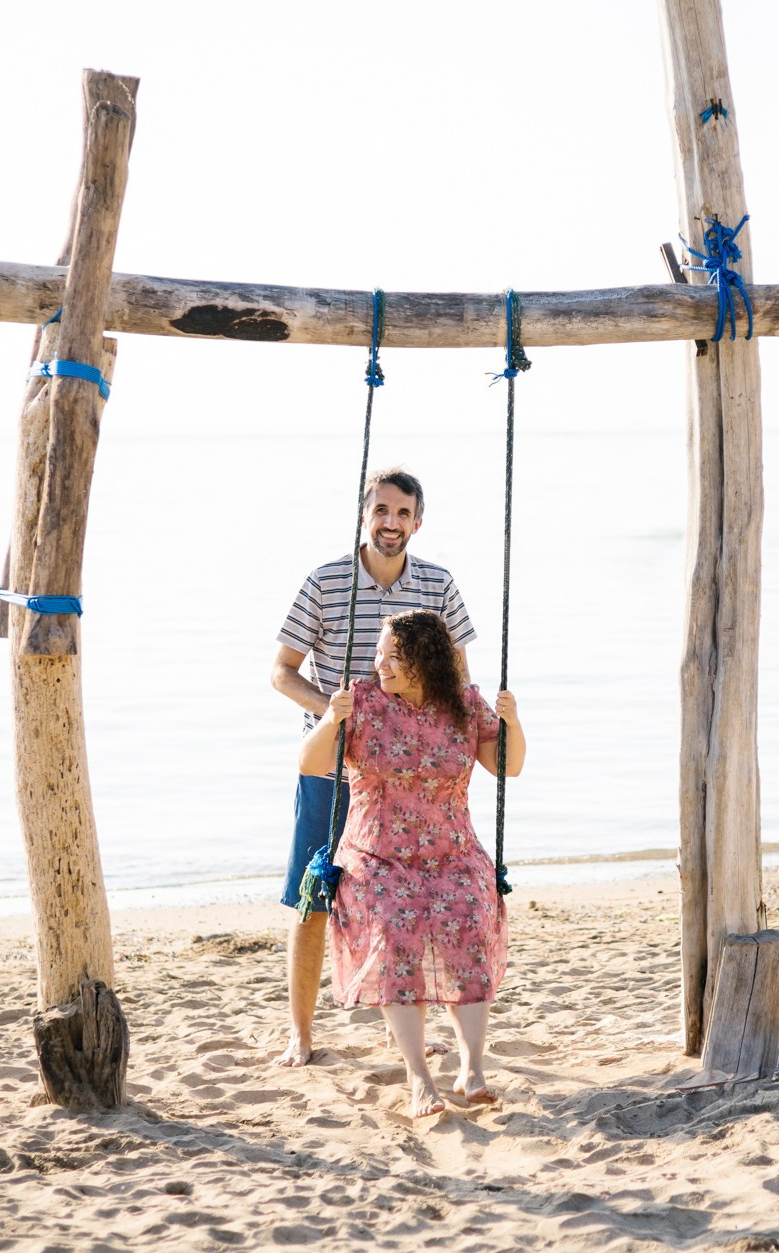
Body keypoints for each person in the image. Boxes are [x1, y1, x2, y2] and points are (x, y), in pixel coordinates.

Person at [271, 469, 476, 1068]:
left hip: (408, 782)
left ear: (418, 521)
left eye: (403, 513)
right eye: (381, 510)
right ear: (365, 514)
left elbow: (457, 678)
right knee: (313, 895)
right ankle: (301, 1034)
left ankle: (403, 1030)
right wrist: (332, 711)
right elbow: (281, 670)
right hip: (335, 770)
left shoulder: (438, 585)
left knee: (411, 898)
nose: (391, 523)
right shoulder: (327, 581)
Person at [300, 609, 526, 1118]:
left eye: (392, 655)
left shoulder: (466, 705)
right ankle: (419, 1078)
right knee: (397, 932)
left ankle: (472, 1069)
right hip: (376, 856)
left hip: (453, 851)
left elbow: (508, 766)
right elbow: (311, 763)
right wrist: (331, 719)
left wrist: (512, 721)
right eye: (378, 653)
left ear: (425, 661)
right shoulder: (361, 701)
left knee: (470, 917)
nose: (380, 663)